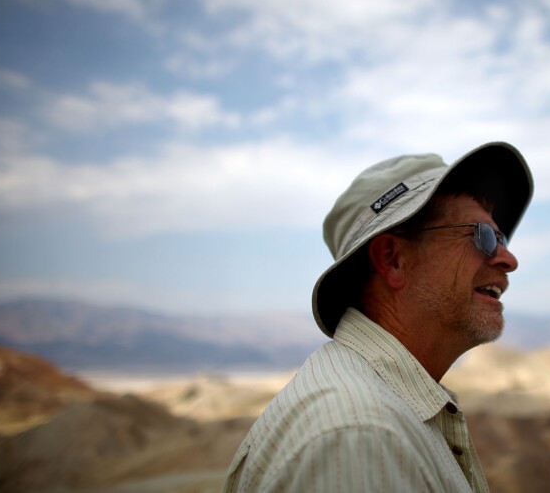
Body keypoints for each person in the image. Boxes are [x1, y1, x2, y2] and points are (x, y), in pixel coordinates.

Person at [223, 142, 533, 492]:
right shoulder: (359, 438)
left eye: (501, 236)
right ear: (393, 260)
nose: (509, 259)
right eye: (484, 236)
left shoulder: (384, 416)